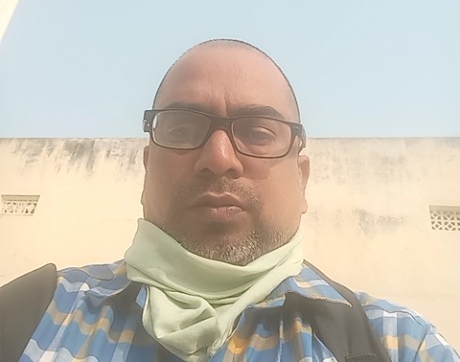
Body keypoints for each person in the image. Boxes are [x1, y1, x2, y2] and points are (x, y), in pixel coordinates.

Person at [3, 39, 459, 361]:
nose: (219, 159)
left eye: (257, 132)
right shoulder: (28, 314)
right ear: (146, 169)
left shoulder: (399, 344)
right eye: (182, 128)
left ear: (301, 180)